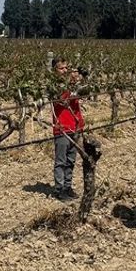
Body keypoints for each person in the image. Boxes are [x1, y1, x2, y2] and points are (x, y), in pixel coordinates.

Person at [49, 57, 86, 200]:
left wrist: (82, 77)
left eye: (66, 68)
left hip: (75, 126)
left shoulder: (72, 84)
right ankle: (59, 190)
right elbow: (61, 101)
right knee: (61, 161)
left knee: (71, 160)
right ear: (54, 70)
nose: (65, 71)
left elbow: (84, 90)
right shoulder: (54, 85)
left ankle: (67, 186)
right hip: (62, 127)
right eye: (61, 68)